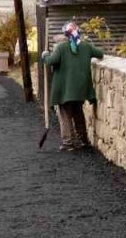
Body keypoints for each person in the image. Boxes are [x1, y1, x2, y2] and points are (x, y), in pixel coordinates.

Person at [39, 20, 104, 151]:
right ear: (78, 33)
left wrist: (44, 55)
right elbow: (100, 54)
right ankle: (83, 140)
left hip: (65, 90)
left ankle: (68, 142)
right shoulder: (86, 46)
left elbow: (51, 61)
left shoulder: (61, 47)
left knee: (65, 115)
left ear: (65, 35)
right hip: (80, 90)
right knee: (78, 113)